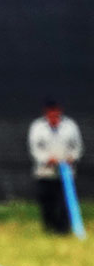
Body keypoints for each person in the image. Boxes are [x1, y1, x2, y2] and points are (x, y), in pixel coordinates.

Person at [28, 98, 83, 234]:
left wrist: (72, 157)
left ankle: (63, 230)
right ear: (46, 113)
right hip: (45, 173)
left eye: (56, 114)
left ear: (59, 111)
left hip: (66, 173)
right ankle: (49, 229)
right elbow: (34, 149)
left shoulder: (70, 126)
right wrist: (47, 159)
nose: (54, 117)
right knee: (47, 203)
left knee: (64, 202)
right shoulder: (37, 127)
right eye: (50, 114)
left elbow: (78, 146)